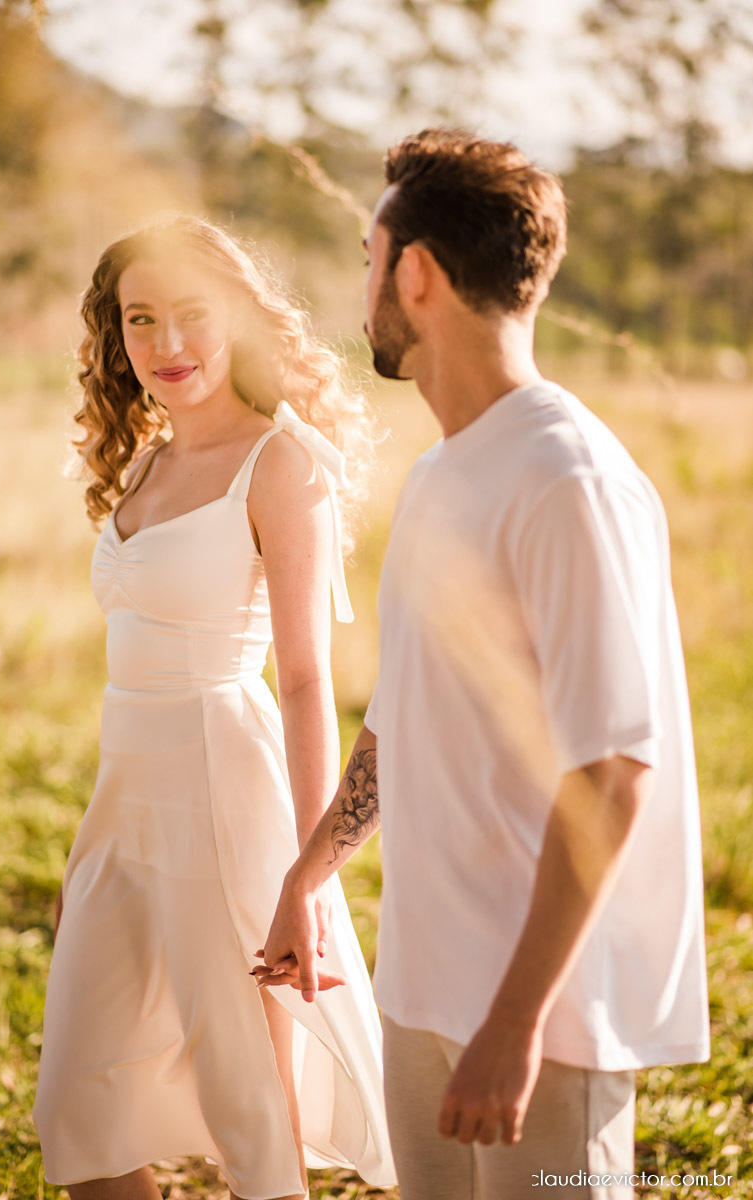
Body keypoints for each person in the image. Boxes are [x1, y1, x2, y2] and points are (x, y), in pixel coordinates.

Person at [257, 129, 710, 1200]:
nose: (361, 282)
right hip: (426, 990)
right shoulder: (437, 477)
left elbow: (611, 773)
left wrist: (516, 1025)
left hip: (542, 1023)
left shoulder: (569, 480)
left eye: (371, 257)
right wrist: (308, 875)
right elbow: (401, 722)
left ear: (415, 273)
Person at [32, 215, 396, 1200]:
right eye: (139, 320)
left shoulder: (280, 463)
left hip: (226, 792)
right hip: (126, 807)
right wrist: (94, 845)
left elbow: (307, 681)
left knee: (250, 1114)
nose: (167, 345)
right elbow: (132, 673)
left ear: (237, 312)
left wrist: (308, 877)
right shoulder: (144, 460)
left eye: (190, 314)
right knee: (77, 1104)